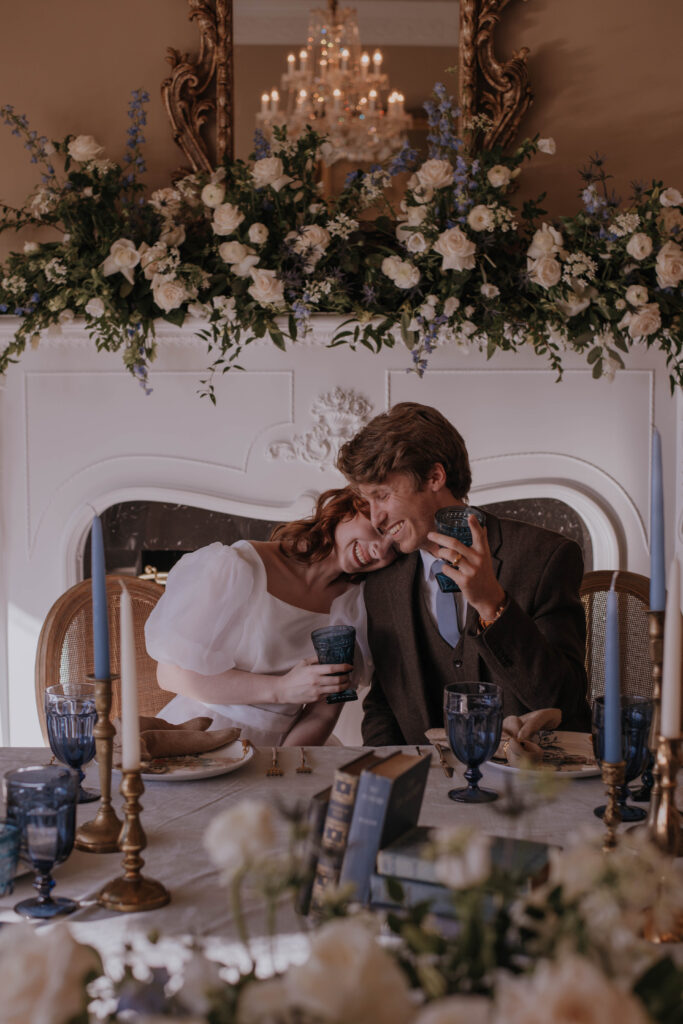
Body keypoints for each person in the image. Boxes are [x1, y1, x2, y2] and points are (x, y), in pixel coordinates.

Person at [336, 402, 591, 746]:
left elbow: (564, 701)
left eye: (382, 495)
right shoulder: (383, 581)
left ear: (434, 477)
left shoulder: (544, 557)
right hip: (428, 786)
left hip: (529, 782)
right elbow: (385, 704)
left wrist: (493, 605)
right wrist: (384, 777)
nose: (376, 517)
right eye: (368, 501)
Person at [144, 488, 395, 747]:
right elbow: (170, 675)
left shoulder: (357, 608)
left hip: (286, 749)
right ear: (347, 510)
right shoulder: (235, 565)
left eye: (394, 548)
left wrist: (280, 770)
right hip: (201, 737)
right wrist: (281, 689)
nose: (380, 551)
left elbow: (323, 712)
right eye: (378, 530)